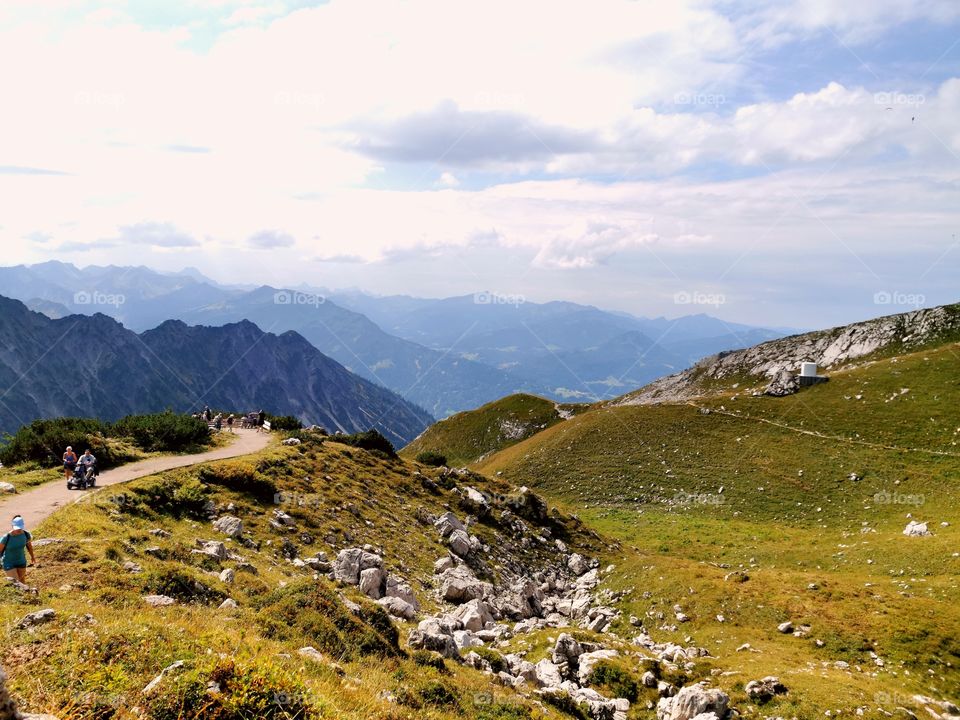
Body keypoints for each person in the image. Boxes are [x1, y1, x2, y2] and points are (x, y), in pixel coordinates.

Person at [0, 516, 36, 584]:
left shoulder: (26, 534)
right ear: (12, 526)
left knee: (22, 582)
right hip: (8, 563)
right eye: (16, 528)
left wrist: (32, 557)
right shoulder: (6, 537)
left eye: (20, 528)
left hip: (21, 562)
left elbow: (29, 546)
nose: (18, 530)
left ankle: (25, 595)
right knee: (16, 584)